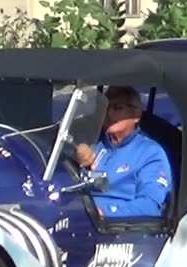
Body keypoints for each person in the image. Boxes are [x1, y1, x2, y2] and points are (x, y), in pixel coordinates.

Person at [73, 86, 171, 218]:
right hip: (78, 218)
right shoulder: (94, 145)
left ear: (136, 114)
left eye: (117, 108)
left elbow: (150, 206)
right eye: (105, 108)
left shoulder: (150, 153)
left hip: (115, 227)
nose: (108, 114)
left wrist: (104, 212)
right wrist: (74, 153)